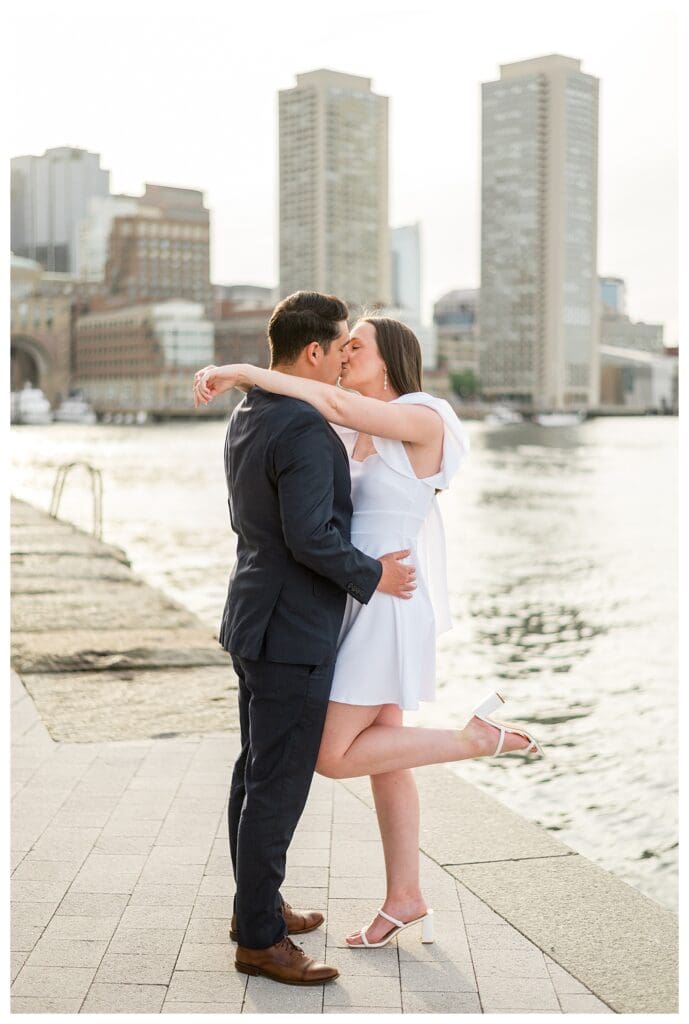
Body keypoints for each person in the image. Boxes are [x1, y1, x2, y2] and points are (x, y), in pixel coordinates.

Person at [194, 307, 543, 955]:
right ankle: (404, 897)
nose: (346, 353)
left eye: (358, 345)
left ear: (391, 359)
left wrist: (248, 372)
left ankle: (473, 739)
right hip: (351, 595)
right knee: (387, 753)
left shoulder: (423, 415)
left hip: (385, 597)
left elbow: (324, 395)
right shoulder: (342, 421)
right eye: (342, 344)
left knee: (329, 754)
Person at [197, 292, 418, 986]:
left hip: (253, 615)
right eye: (341, 344)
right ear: (315, 351)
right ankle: (260, 940)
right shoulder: (301, 426)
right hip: (290, 629)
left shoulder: (251, 413)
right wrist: (373, 575)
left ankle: (254, 908)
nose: (346, 355)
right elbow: (310, 537)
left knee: (254, 771)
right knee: (277, 784)